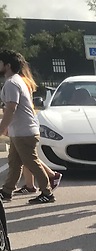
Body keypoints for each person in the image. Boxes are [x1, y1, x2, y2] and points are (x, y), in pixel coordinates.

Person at [0, 49, 54, 204]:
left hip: (25, 131)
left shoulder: (12, 83)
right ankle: (7, 191)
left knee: (32, 163)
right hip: (20, 131)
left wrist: (2, 128)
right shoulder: (16, 81)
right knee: (14, 162)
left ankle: (47, 193)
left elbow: (11, 108)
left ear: (8, 65)